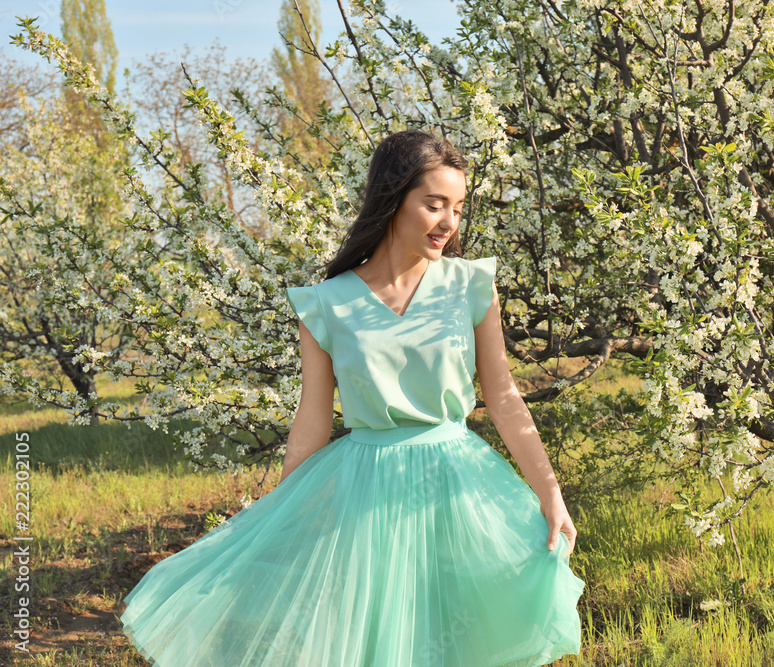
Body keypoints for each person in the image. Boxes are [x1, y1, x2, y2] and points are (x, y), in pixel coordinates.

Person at [116, 129, 586, 666]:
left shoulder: (470, 285)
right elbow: (312, 421)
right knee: (375, 640)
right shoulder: (327, 303)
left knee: (457, 635)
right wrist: (279, 518)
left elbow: (503, 398)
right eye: (435, 205)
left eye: (457, 207)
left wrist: (550, 493)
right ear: (393, 199)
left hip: (457, 484)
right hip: (365, 491)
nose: (449, 223)